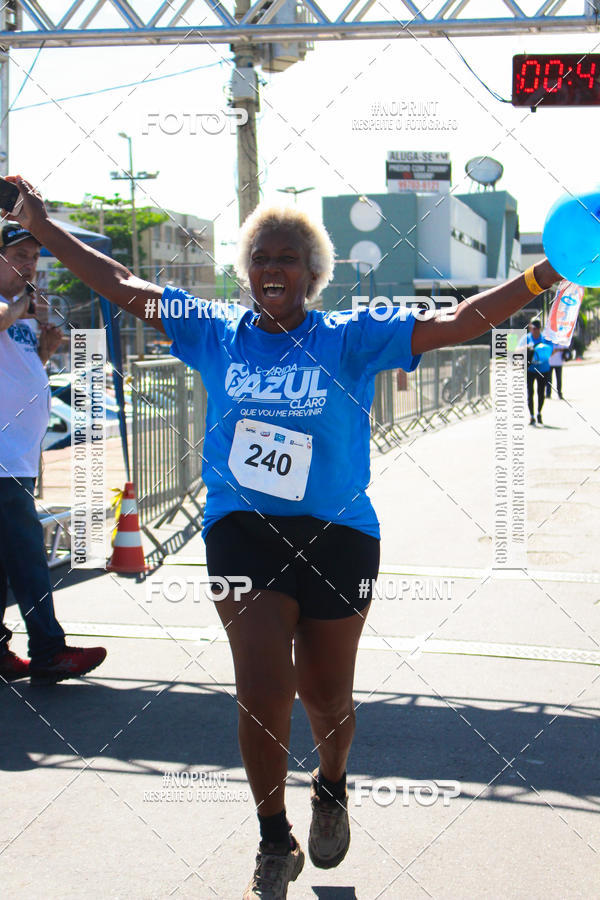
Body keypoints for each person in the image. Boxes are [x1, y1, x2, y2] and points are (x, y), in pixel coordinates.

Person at [6, 177, 562, 898]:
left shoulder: (351, 336)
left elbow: (460, 320)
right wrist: (43, 229)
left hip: (340, 533)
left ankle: (331, 786)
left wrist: (546, 271)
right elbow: (119, 281)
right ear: (247, 271)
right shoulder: (213, 330)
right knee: (263, 689)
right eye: (261, 257)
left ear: (312, 274)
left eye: (289, 258)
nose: (274, 268)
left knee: (326, 696)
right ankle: (274, 838)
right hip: (244, 531)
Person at [0, 221, 107, 684]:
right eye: (18, 257)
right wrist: (25, 304)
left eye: (32, 257)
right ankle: (48, 649)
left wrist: (45, 349)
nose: (29, 265)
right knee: (26, 554)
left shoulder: (22, 312)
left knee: (8, 556)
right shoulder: (13, 306)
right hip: (3, 456)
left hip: (18, 456)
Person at [526, 319, 553, 426]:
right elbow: (516, 349)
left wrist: (542, 352)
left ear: (539, 329)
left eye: (537, 328)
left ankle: (539, 413)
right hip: (530, 370)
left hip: (543, 369)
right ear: (530, 328)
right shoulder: (527, 338)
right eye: (533, 328)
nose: (535, 331)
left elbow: (551, 350)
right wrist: (527, 348)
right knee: (530, 393)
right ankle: (531, 416)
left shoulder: (545, 339)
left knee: (541, 392)